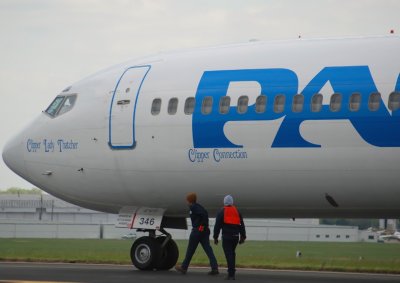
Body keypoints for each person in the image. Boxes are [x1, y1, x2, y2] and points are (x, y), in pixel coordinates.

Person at [175, 192, 219, 275]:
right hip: (204, 231)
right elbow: (205, 213)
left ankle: (184, 267)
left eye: (187, 200)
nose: (186, 202)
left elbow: (204, 215)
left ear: (190, 200)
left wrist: (201, 226)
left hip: (197, 231)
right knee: (208, 250)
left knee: (190, 250)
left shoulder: (194, 207)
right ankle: (215, 268)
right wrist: (204, 227)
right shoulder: (198, 206)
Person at [213, 195, 246, 280]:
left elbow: (217, 226)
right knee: (232, 254)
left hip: (227, 237)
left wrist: (215, 237)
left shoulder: (222, 212)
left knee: (229, 255)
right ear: (232, 202)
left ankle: (231, 274)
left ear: (224, 202)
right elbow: (241, 225)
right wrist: (243, 236)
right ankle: (232, 272)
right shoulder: (237, 211)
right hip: (235, 237)